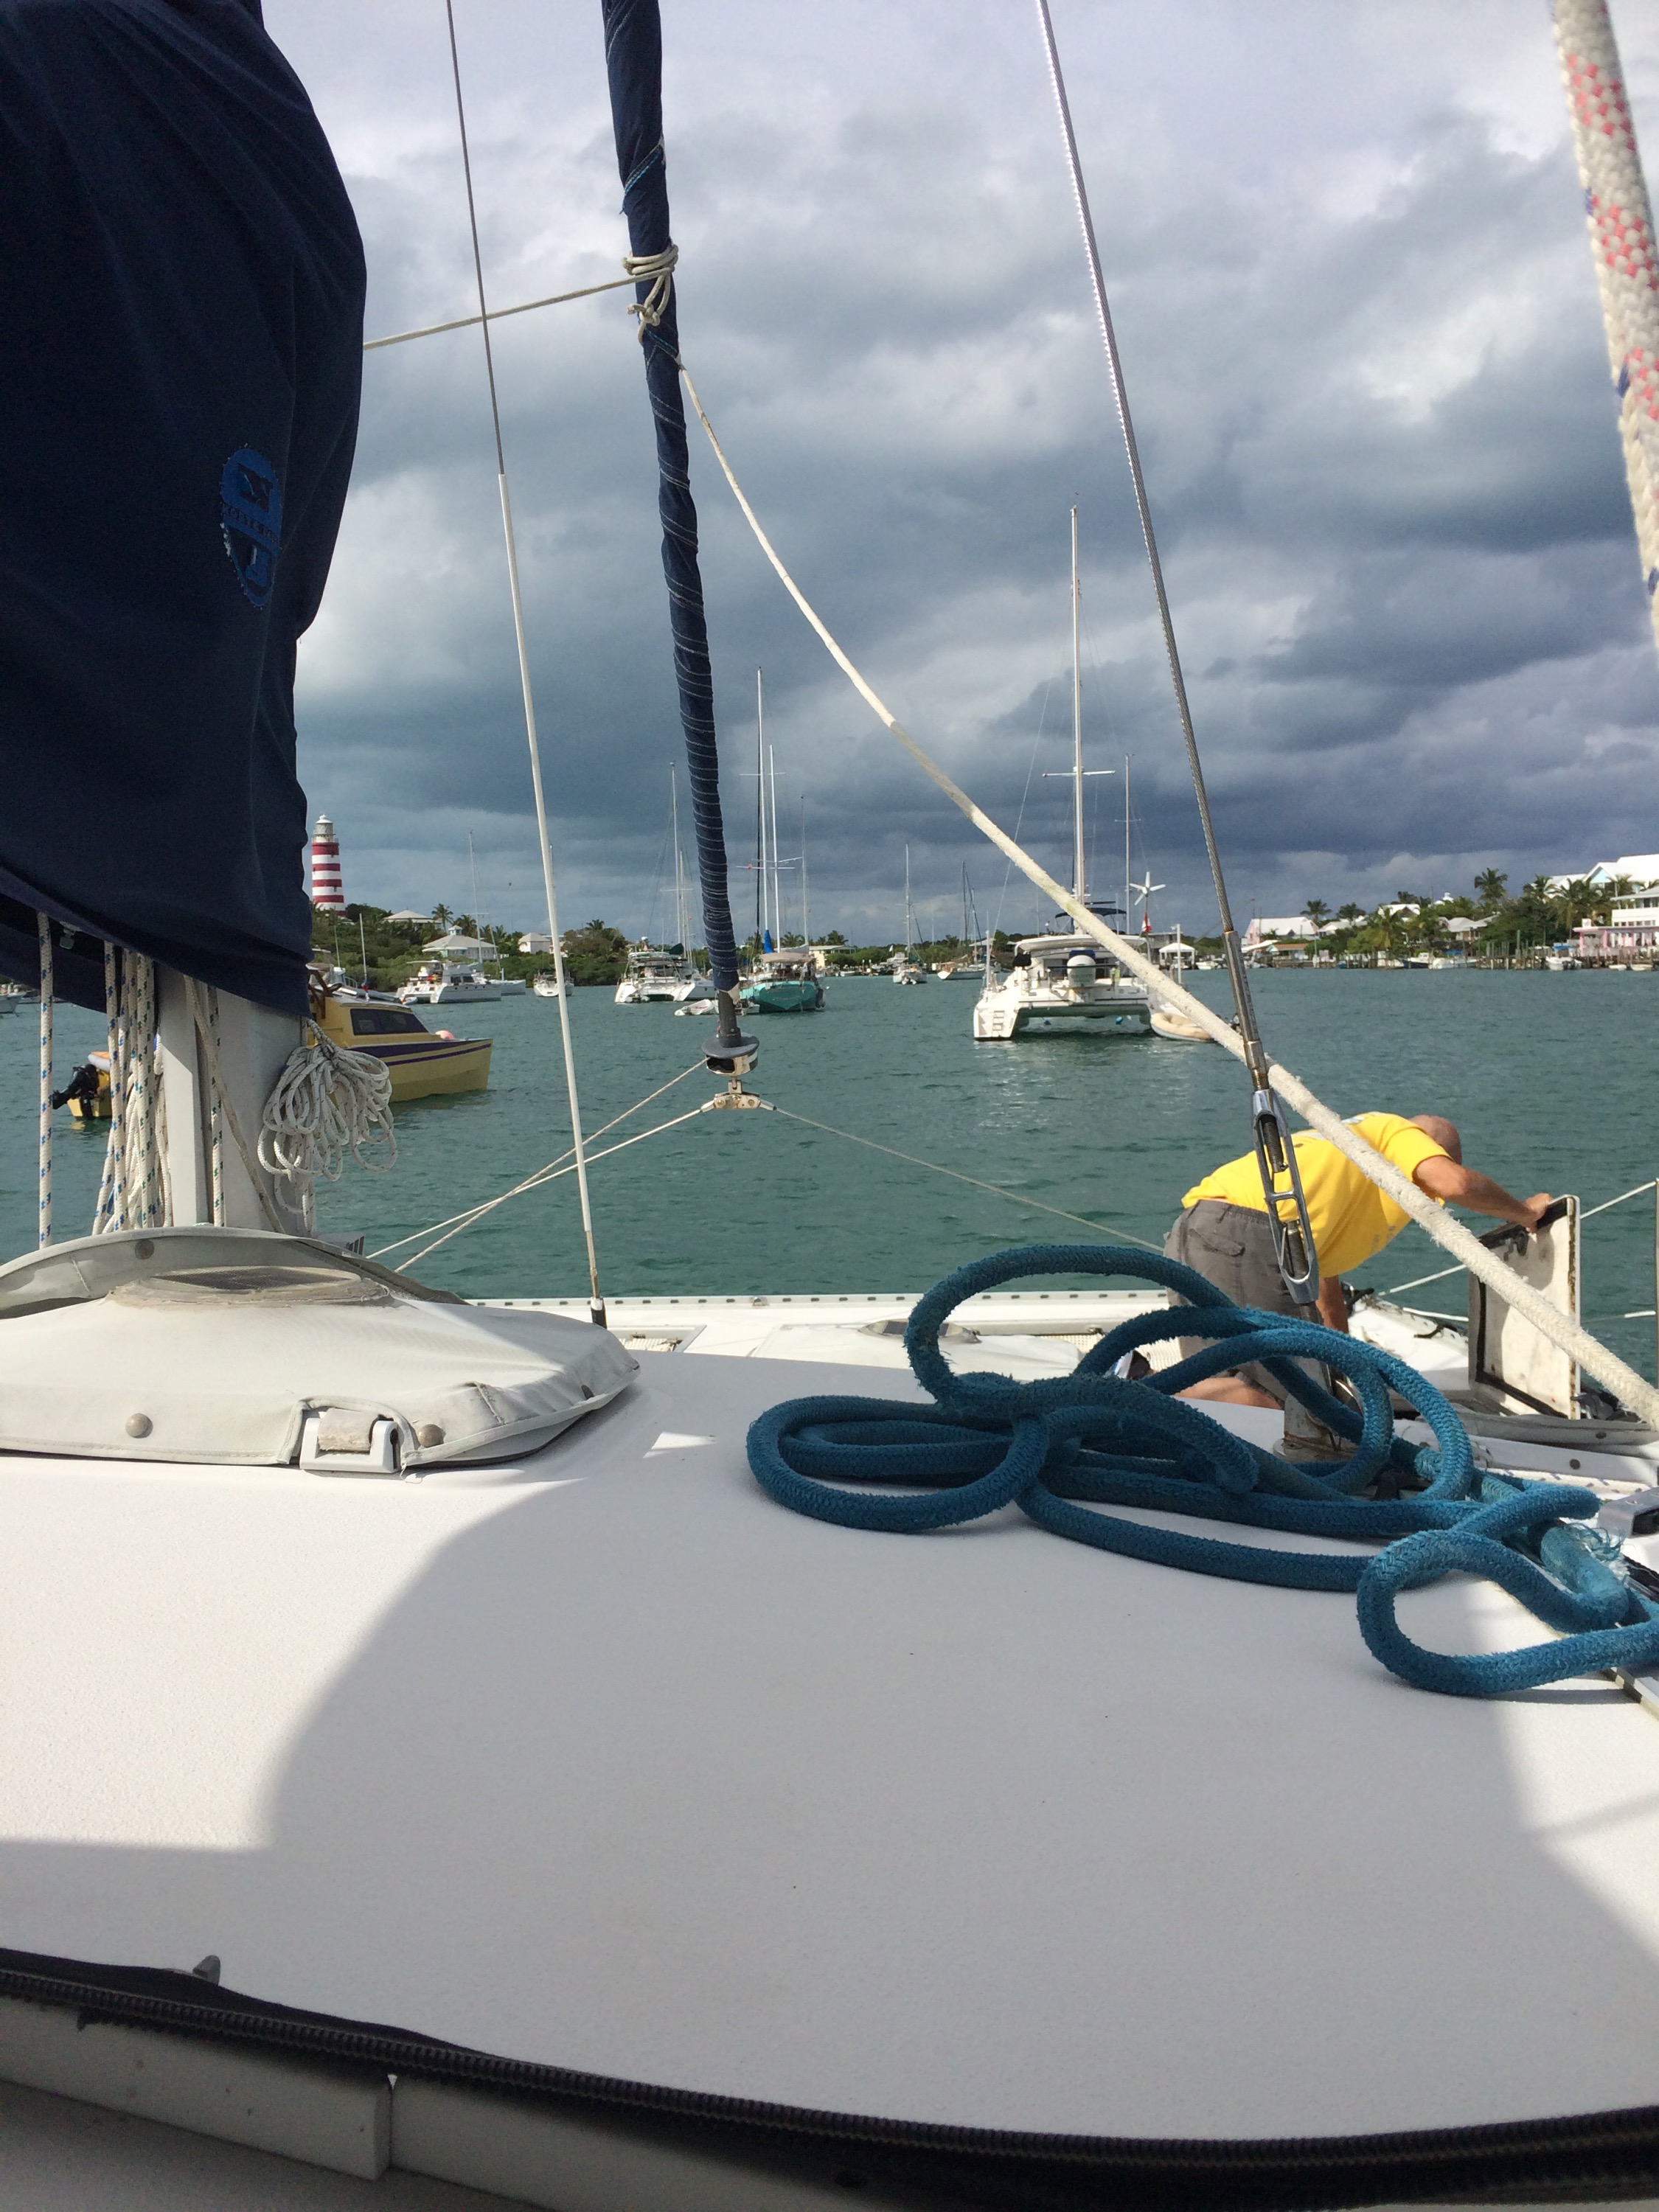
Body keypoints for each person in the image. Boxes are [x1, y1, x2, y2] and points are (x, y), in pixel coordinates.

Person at [1164, 1113, 1553, 1408]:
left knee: (1219, 1380)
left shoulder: (1339, 1166)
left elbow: (1326, 1295)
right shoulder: (1396, 1132)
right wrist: (1524, 1213)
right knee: (1296, 1399)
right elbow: (1456, 1183)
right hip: (1249, 1232)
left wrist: (1344, 1370)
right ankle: (1139, 1396)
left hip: (1195, 1229)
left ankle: (1148, 1392)